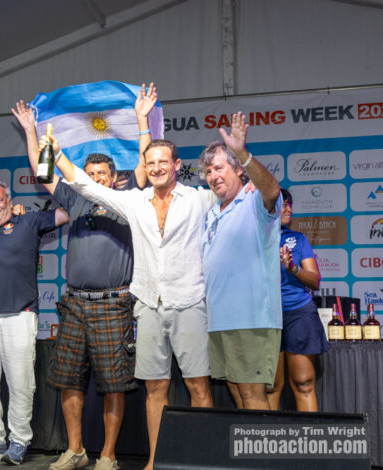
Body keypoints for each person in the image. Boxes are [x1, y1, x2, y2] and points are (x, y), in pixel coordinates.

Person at [48, 83, 215, 470]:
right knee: (155, 389)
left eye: (163, 162)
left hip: (189, 303)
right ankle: (155, 462)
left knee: (198, 387)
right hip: (148, 306)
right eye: (150, 163)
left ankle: (203, 461)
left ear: (176, 165)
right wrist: (56, 155)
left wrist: (143, 120)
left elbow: (235, 195)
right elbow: (83, 184)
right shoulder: (133, 201)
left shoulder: (199, 198)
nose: (155, 168)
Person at [12, 96, 147, 470]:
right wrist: (31, 130)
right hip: (74, 303)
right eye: (90, 173)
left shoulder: (127, 199)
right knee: (69, 378)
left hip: (113, 303)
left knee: (114, 383)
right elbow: (43, 172)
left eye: (102, 173)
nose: (96, 178)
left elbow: (143, 163)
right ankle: (75, 450)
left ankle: (108, 455)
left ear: (113, 177)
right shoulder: (73, 197)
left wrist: (141, 120)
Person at [0, 179, 68, 466]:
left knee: (21, 384)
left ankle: (19, 441)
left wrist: (74, 184)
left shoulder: (29, 222)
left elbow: (66, 212)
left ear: (10, 201)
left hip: (20, 315)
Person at [198, 112, 282, 411]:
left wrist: (242, 153)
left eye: (219, 168)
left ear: (238, 170)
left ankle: (260, 445)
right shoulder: (212, 213)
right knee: (236, 391)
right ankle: (247, 442)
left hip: (251, 319)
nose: (213, 176)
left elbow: (272, 190)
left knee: (252, 394)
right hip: (220, 320)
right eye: (208, 171)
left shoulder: (254, 200)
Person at [266, 188, 327, 411]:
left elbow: (315, 281)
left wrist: (293, 268)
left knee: (304, 383)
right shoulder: (255, 239)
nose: (289, 209)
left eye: (290, 205)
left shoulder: (297, 239)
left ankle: (309, 434)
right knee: (270, 387)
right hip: (266, 317)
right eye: (284, 204)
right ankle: (267, 435)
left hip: (298, 314)